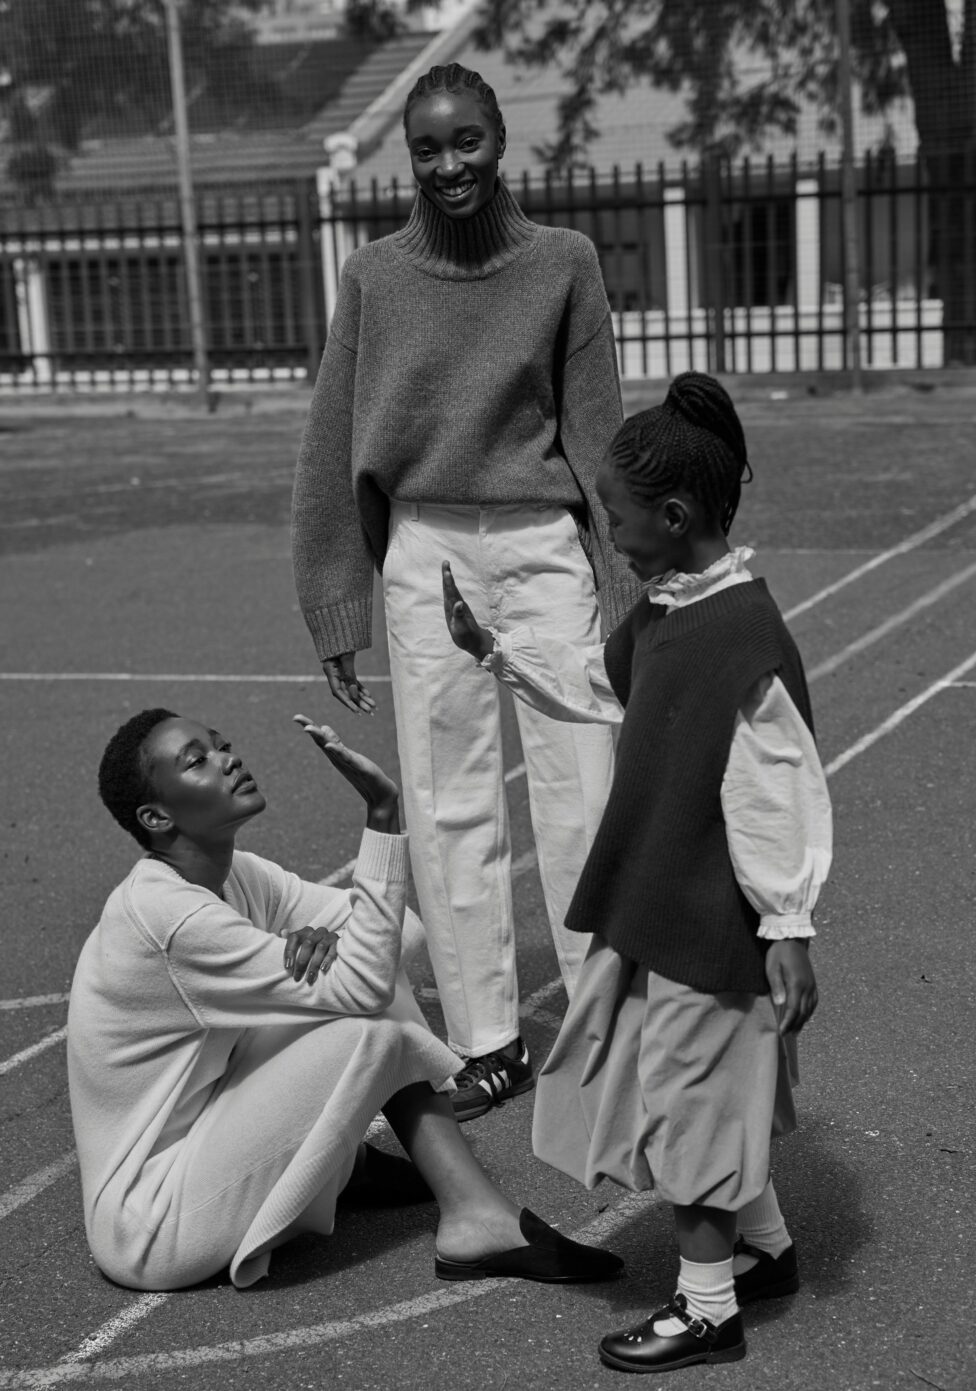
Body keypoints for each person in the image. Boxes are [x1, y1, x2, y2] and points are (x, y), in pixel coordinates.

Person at [442, 372, 828, 1373]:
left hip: (712, 927)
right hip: (671, 909)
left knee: (690, 1105)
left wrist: (785, 924)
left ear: (672, 512)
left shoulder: (738, 636)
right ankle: (766, 1249)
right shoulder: (663, 610)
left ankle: (707, 1307)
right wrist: (496, 649)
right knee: (702, 1092)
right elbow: (594, 682)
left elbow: (774, 794)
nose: (602, 533)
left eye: (611, 517)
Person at [291, 62, 645, 1121]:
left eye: (466, 143)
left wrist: (624, 586)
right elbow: (327, 450)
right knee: (447, 804)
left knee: (583, 785)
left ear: (500, 143)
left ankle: (602, 1024)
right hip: (423, 549)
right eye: (428, 149)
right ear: (411, 158)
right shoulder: (372, 279)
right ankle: (487, 1039)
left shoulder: (563, 264)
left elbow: (596, 432)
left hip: (541, 546)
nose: (449, 166)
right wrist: (336, 603)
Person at [66, 707, 624, 1293]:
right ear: (155, 816)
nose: (229, 759)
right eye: (197, 760)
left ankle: (366, 1176)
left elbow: (400, 933)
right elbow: (366, 981)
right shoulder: (171, 918)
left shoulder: (238, 875)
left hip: (209, 1134)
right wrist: (382, 815)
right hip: (154, 1225)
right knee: (372, 1023)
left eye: (221, 744)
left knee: (366, 982)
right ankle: (468, 1215)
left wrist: (344, 943)